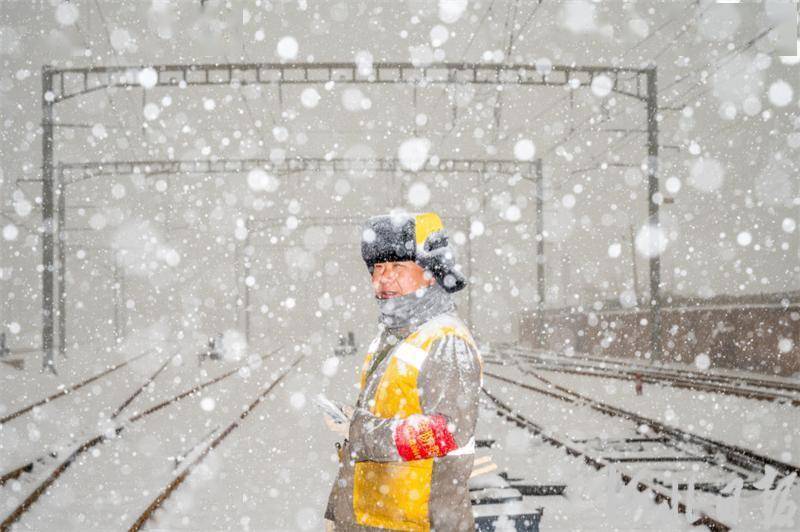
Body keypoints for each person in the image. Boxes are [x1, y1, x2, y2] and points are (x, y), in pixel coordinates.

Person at [324, 212, 482, 531]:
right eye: (378, 268)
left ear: (432, 274)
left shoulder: (446, 340)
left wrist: (359, 430)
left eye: (398, 267)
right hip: (375, 521)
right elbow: (384, 419)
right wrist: (338, 513)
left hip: (420, 524)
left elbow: (444, 433)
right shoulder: (393, 337)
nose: (384, 278)